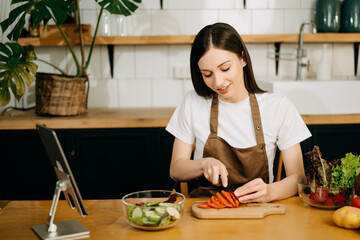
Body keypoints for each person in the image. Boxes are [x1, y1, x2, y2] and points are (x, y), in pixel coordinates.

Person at [165, 22, 311, 203]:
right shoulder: (192, 103)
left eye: (225, 68)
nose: (218, 82)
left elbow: (299, 178)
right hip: (207, 212)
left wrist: (270, 192)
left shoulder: (278, 106)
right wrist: (204, 164)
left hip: (260, 214)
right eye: (207, 74)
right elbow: (176, 170)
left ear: (243, 58)